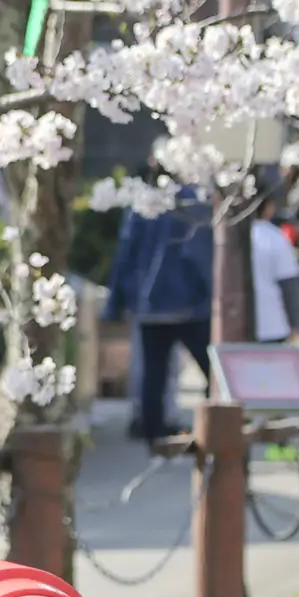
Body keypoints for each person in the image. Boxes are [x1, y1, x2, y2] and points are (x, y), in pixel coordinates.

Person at [105, 186, 215, 440]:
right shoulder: (194, 201)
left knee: (153, 369)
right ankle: (213, 420)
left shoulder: (142, 202)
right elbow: (201, 252)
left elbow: (126, 253)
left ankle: (150, 425)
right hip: (190, 300)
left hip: (149, 301)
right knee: (211, 365)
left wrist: (115, 302)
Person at [250, 192, 299, 344]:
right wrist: (294, 323)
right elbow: (288, 284)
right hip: (272, 321)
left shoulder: (227, 237)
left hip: (236, 324)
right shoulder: (275, 237)